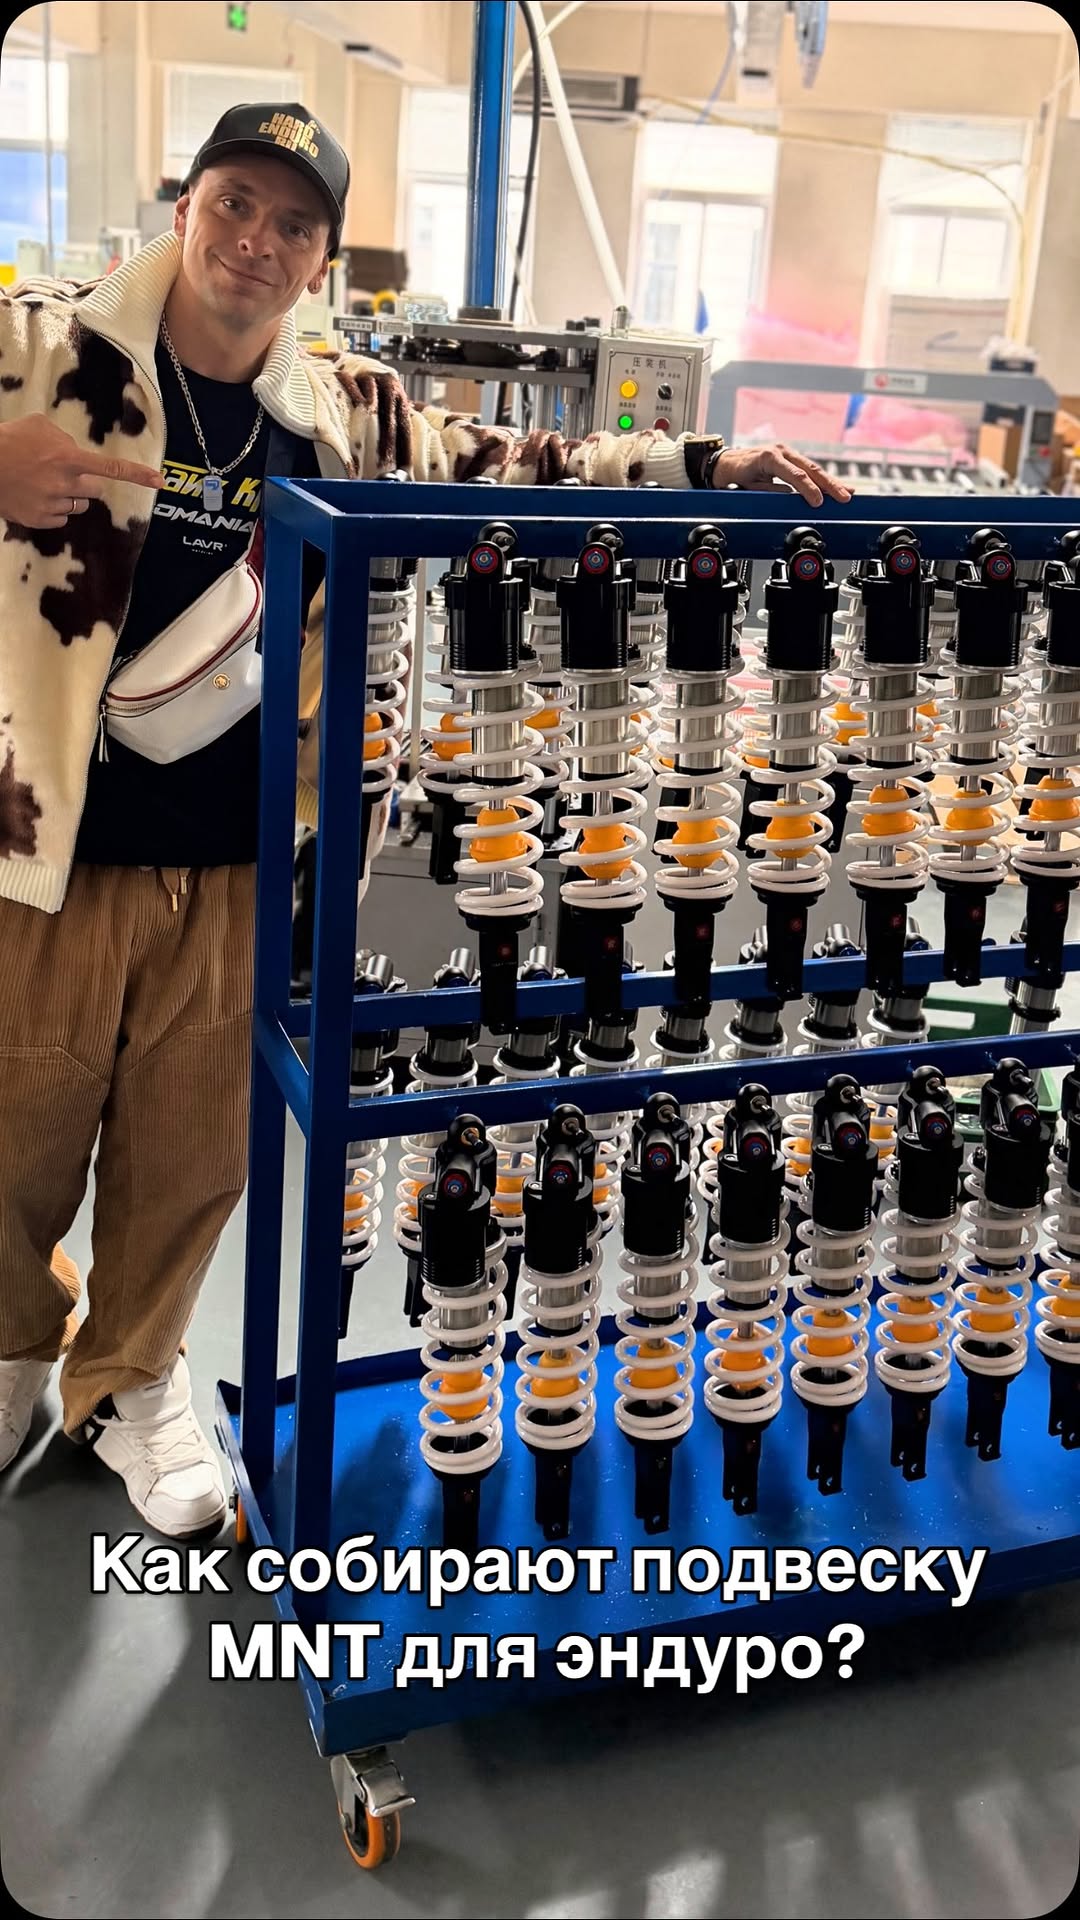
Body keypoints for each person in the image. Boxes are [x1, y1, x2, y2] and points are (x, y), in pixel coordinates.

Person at [0, 101, 851, 1538]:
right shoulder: (36, 347)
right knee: (13, 1121)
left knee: (190, 1151)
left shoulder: (346, 410)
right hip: (48, 842)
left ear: (321, 256)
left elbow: (517, 460)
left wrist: (712, 467)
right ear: (186, 205)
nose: (256, 242)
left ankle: (131, 1382)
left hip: (242, 856)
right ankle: (16, 1345)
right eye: (234, 204)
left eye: (293, 224)